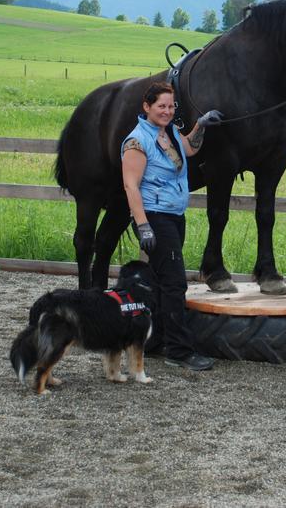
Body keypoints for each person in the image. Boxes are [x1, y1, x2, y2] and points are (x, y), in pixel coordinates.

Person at [121, 81, 223, 371]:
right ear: (147, 107)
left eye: (171, 106)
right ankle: (178, 350)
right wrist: (143, 226)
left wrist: (201, 125)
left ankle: (153, 341)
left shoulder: (169, 133)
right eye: (161, 106)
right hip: (154, 216)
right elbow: (130, 186)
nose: (167, 111)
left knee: (159, 281)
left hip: (173, 215)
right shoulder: (137, 142)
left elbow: (188, 149)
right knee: (175, 283)